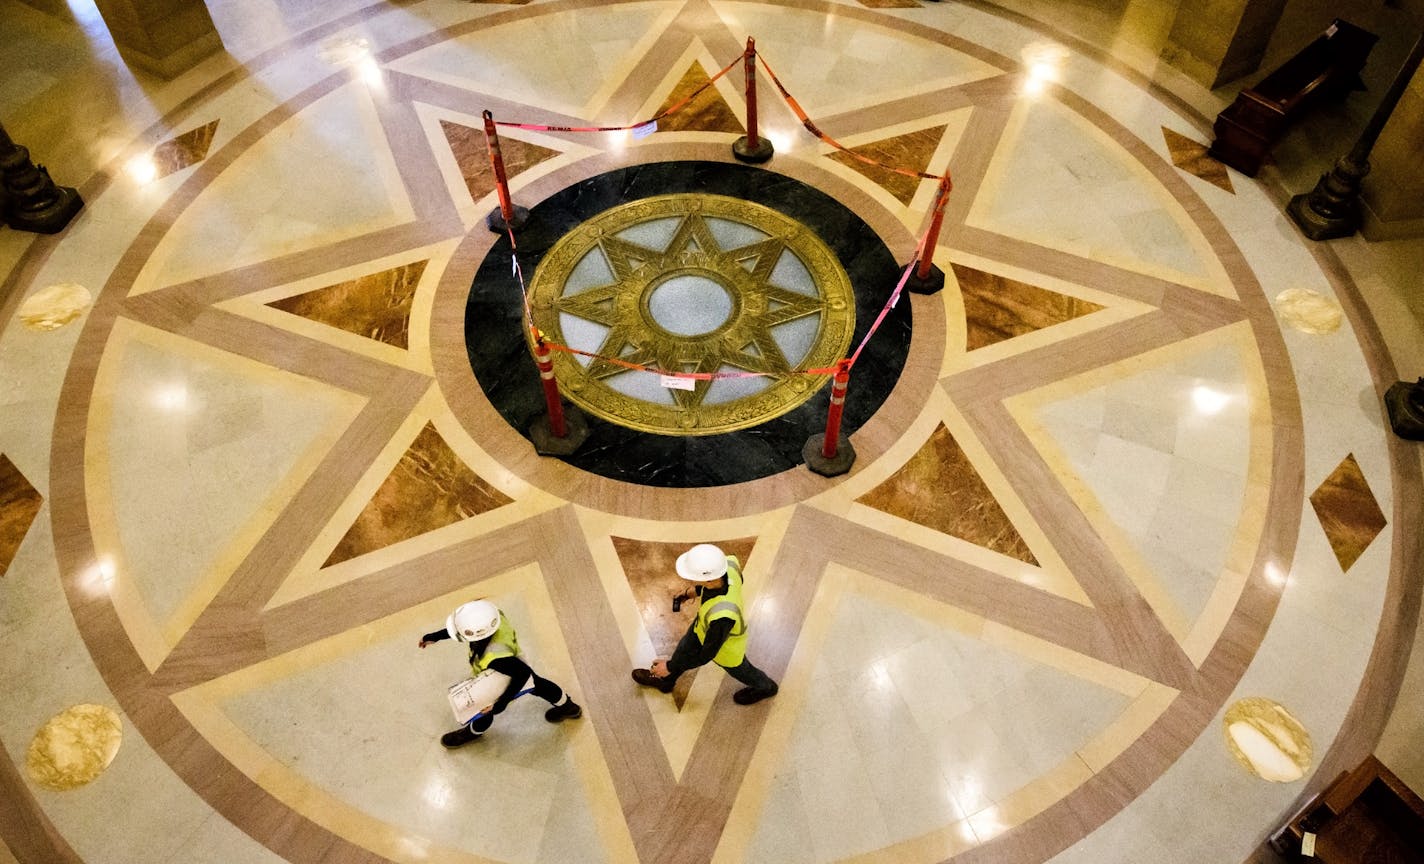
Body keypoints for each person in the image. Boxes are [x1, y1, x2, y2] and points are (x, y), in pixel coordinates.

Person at [419, 599, 581, 748]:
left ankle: (472, 732)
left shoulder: (493, 657)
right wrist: (435, 637)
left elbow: (522, 675)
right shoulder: (493, 617)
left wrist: (499, 705)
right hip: (514, 661)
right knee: (538, 684)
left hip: (506, 671)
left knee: (483, 709)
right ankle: (568, 707)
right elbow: (466, 629)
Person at [631, 543, 779, 705]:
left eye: (694, 577)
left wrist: (670, 666)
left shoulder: (722, 618)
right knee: (683, 650)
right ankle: (666, 681)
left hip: (725, 650)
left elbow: (705, 655)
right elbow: (719, 584)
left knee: (742, 670)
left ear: (708, 579)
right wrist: (690, 593)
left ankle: (766, 687)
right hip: (701, 628)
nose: (691, 580)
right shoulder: (727, 566)